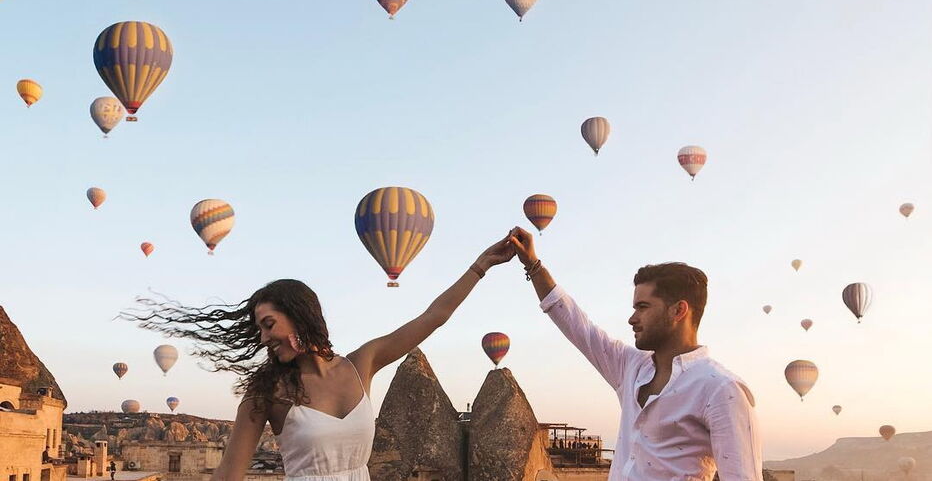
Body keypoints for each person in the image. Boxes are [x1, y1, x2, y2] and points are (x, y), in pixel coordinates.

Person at [122, 235, 515, 481]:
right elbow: (228, 474)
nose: (264, 337)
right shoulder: (267, 392)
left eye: (269, 323)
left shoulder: (363, 364)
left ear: (300, 313)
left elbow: (433, 317)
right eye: (259, 329)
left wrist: (481, 266)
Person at [508, 227, 762, 481]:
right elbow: (576, 325)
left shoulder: (721, 389)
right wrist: (533, 264)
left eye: (643, 307)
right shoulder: (631, 367)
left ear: (678, 311)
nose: (632, 319)